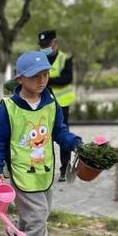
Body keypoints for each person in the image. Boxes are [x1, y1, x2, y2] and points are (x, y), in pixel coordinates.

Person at [0, 51, 82, 236]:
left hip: (45, 169)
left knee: (42, 210)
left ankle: (18, 234)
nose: (41, 80)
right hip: (22, 171)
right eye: (35, 76)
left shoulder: (51, 103)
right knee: (37, 212)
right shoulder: (8, 107)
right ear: (20, 79)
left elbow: (59, 131)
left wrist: (76, 144)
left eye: (45, 75)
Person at [38, 30, 75, 182]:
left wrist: (47, 79)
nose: (44, 47)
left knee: (62, 136)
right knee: (42, 136)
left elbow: (66, 79)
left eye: (47, 44)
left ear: (54, 43)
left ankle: (64, 169)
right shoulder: (39, 58)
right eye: (42, 45)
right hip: (43, 104)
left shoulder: (64, 59)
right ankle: (45, 168)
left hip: (62, 104)